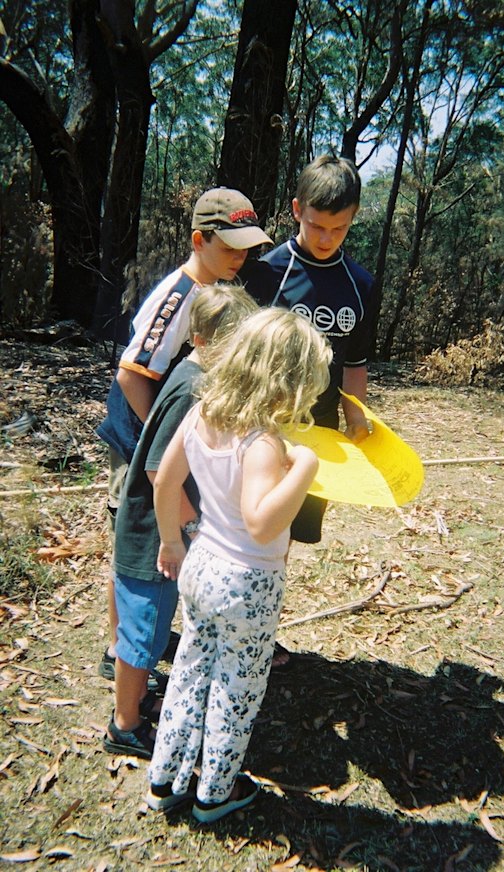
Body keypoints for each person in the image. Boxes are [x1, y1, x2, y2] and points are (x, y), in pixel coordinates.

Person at [144, 308, 332, 820]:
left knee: (189, 669)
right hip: (248, 583)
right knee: (236, 687)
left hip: (201, 562)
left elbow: (163, 482)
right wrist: (306, 469)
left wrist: (171, 543)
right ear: (288, 382)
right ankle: (216, 792)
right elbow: (262, 523)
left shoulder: (203, 410)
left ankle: (166, 778)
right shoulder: (263, 442)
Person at [96, 188, 272, 688]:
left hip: (163, 439)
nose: (240, 256)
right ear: (199, 240)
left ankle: (138, 636)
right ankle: (119, 648)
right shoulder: (180, 295)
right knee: (130, 543)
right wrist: (172, 442)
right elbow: (132, 375)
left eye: (246, 247)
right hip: (137, 435)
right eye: (230, 246)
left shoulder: (217, 291)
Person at [103, 283, 258, 761]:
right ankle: (125, 724)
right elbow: (156, 470)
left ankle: (136, 699)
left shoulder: (194, 375)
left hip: (161, 529)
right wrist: (191, 527)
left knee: (148, 628)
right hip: (154, 534)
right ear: (210, 341)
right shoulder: (191, 387)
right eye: (239, 348)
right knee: (143, 634)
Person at [240, 154, 375, 545]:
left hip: (320, 435)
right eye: (317, 226)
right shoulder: (266, 273)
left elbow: (356, 362)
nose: (326, 238)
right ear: (297, 210)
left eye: (339, 228)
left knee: (288, 537)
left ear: (353, 217)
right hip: (263, 427)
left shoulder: (361, 285)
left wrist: (356, 419)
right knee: (254, 527)